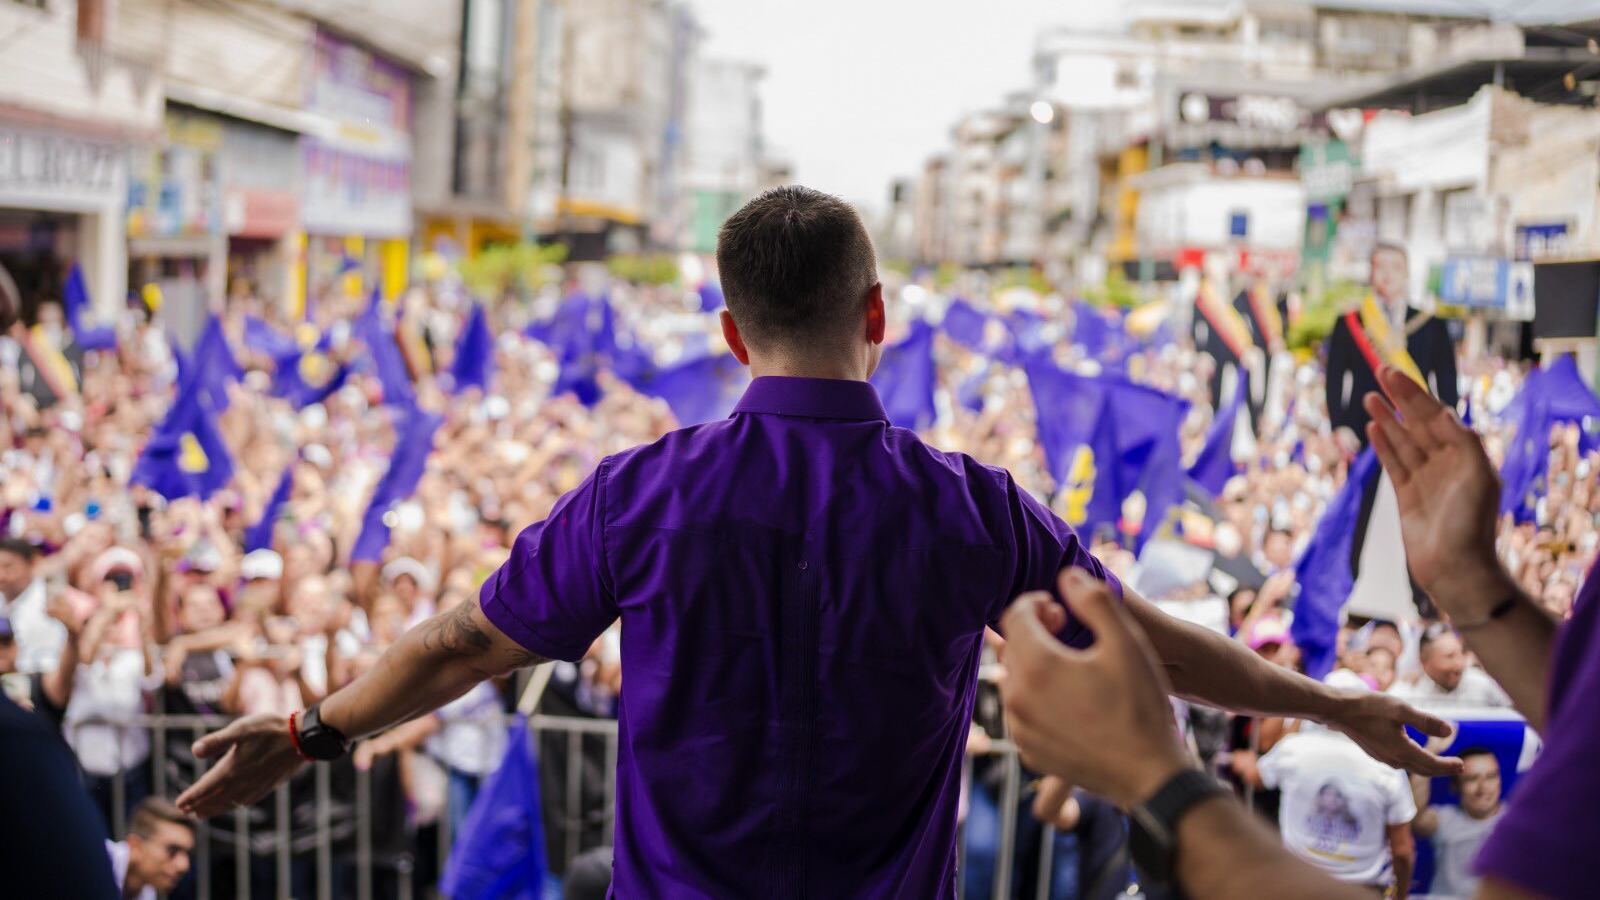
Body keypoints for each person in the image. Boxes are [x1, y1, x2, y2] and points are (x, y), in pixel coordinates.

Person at [175, 187, 1453, 895]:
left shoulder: (642, 495)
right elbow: (1147, 646)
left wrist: (307, 735)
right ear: (879, 314)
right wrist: (1331, 703)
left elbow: (465, 642)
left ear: (732, 336)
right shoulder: (970, 508)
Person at [995, 366, 1575, 900]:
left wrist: (1157, 781)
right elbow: (1581, 696)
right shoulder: (973, 506)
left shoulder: (974, 510)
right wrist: (1466, 578)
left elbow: (1164, 654)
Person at [1256, 690, 1417, 896]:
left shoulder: (1294, 749)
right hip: (1360, 890)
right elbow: (1402, 851)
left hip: (1299, 886)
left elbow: (1258, 777)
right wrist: (1401, 895)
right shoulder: (1386, 765)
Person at [1411, 749, 1504, 899]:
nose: (1483, 787)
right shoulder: (1444, 819)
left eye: (1491, 777)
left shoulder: (1516, 824)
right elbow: (1416, 820)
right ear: (1456, 786)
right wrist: (1430, 750)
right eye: (1472, 779)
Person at [1392, 627, 1511, 709]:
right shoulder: (1409, 692)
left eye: (1461, 654)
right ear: (1424, 662)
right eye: (1449, 657)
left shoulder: (1482, 684)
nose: (1459, 664)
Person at [107, 798, 196, 899]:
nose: (184, 866)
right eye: (172, 850)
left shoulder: (147, 892)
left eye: (187, 853)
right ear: (135, 846)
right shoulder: (93, 862)